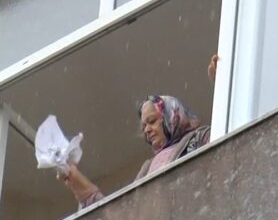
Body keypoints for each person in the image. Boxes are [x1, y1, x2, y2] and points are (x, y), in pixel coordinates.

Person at [58, 56, 218, 209]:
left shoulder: (199, 137)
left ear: (172, 116)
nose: (147, 130)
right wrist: (78, 183)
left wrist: (221, 83)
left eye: (152, 121)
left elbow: (225, 145)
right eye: (144, 126)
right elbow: (123, 216)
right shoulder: (147, 169)